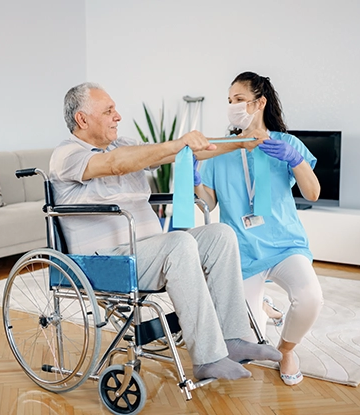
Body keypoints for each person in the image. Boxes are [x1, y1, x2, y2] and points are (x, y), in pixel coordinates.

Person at [49, 82, 282, 382]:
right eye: (108, 111)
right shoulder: (66, 154)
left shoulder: (123, 145)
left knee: (220, 235)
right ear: (82, 119)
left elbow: (183, 151)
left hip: (147, 250)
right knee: (179, 242)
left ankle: (232, 340)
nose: (117, 116)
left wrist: (241, 142)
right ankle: (207, 358)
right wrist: (177, 144)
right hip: (106, 262)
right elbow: (115, 165)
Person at [194, 71, 324, 386]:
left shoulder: (287, 144)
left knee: (310, 298)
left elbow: (313, 193)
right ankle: (264, 307)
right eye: (229, 101)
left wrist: (296, 160)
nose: (232, 106)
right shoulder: (219, 149)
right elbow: (209, 203)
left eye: (239, 99)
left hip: (284, 244)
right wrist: (195, 178)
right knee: (248, 343)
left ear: (259, 102)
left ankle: (287, 349)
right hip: (241, 250)